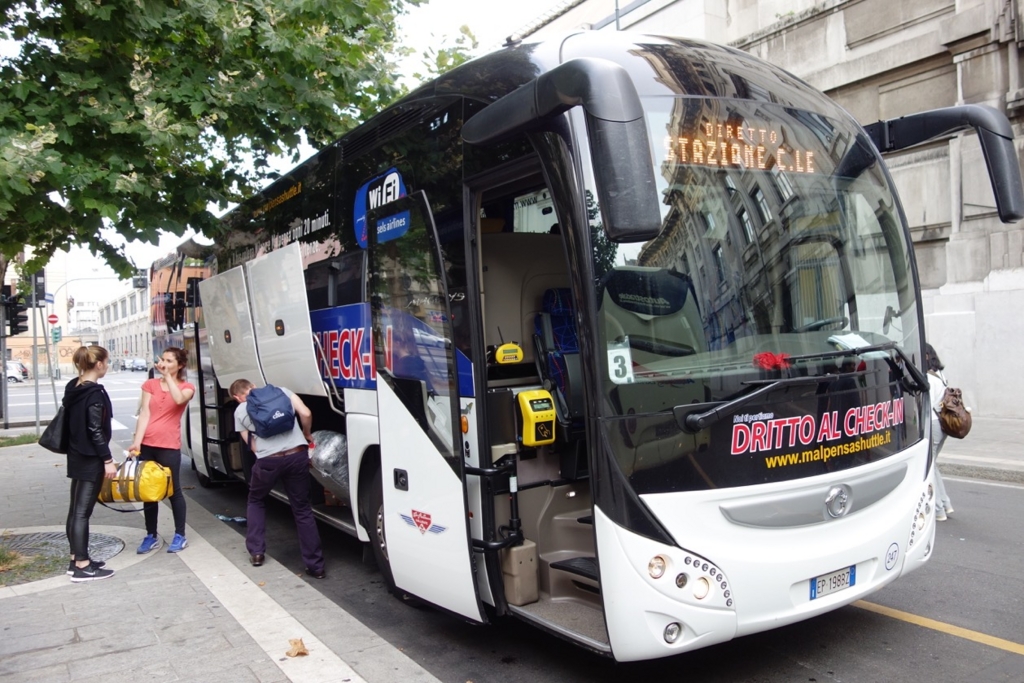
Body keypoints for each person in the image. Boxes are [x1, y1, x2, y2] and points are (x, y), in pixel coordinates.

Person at [230, 379, 325, 579]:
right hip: (296, 455)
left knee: (256, 500)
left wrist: (267, 454)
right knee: (302, 509)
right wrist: (306, 434)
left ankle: (256, 553)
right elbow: (306, 413)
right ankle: (315, 566)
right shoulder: (281, 391)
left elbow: (252, 445)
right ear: (253, 386)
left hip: (268, 462)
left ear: (237, 397)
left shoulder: (240, 411)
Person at [129, 347, 196, 553]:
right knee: (148, 491)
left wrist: (168, 378)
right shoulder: (150, 384)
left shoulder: (187, 387)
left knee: (173, 490)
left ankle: (180, 535)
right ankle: (151, 535)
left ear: (180, 365)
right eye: (162, 360)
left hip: (168, 445)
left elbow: (178, 400)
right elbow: (145, 414)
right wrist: (137, 442)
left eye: (169, 361)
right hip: (148, 444)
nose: (163, 364)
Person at [64, 345, 118, 582]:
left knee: (74, 510)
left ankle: (76, 558)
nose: (107, 366)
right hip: (91, 458)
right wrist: (108, 460)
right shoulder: (94, 393)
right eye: (106, 362)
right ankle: (83, 566)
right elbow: (95, 429)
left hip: (76, 454)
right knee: (82, 513)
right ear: (98, 364)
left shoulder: (73, 387)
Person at [924, 342, 954, 521]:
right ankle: (945, 503)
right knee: (933, 465)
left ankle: (938, 510)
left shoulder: (928, 378)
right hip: (943, 425)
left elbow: (927, 405)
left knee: (929, 467)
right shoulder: (941, 375)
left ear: (926, 356)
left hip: (933, 424)